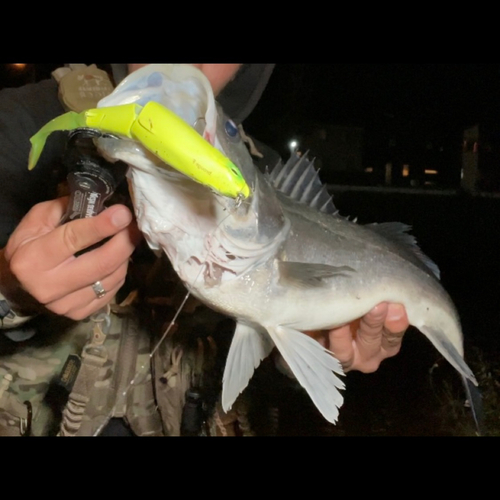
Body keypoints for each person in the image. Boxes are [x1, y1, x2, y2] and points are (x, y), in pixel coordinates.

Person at [0, 63, 409, 435]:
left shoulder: (262, 175)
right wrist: (8, 291)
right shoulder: (18, 122)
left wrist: (308, 346)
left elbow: (257, 387)